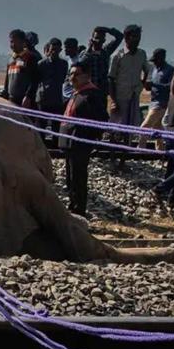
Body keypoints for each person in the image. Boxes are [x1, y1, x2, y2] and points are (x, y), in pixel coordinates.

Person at [61, 58, 108, 217]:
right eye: (71, 74)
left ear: (87, 75)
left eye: (76, 74)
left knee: (78, 179)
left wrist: (88, 136)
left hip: (79, 144)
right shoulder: (77, 93)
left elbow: (101, 119)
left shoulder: (92, 95)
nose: (72, 77)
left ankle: (79, 211)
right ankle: (72, 206)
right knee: (70, 179)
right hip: (70, 144)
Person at [153, 74, 174, 209]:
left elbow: (165, 119)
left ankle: (172, 200)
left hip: (170, 136)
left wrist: (168, 131)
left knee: (172, 167)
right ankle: (160, 189)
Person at [108, 25, 148, 130]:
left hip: (134, 96)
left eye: (139, 37)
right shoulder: (117, 56)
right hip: (120, 97)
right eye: (134, 37)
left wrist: (141, 85)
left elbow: (147, 71)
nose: (137, 40)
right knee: (117, 127)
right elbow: (111, 78)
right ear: (126, 38)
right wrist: (113, 101)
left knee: (131, 128)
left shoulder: (142, 54)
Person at [138, 49, 174, 150]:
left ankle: (140, 148)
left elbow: (171, 87)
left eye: (156, 60)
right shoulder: (154, 70)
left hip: (162, 104)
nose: (154, 63)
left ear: (162, 58)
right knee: (157, 128)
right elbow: (153, 85)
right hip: (153, 102)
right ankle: (161, 151)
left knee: (144, 127)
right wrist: (148, 86)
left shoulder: (170, 70)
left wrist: (154, 84)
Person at [79, 26, 124, 96]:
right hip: (88, 92)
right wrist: (89, 50)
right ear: (92, 39)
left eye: (101, 38)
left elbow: (120, 36)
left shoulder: (106, 51)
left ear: (104, 40)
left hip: (102, 91)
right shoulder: (85, 53)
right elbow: (79, 65)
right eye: (96, 38)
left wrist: (106, 29)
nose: (98, 41)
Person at [36, 38, 68, 132]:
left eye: (56, 50)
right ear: (48, 49)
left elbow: (62, 79)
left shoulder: (63, 64)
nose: (54, 52)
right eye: (52, 50)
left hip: (56, 99)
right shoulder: (41, 64)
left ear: (60, 50)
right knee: (41, 126)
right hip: (43, 99)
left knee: (56, 126)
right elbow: (37, 80)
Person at [0, 29, 39, 107]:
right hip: (11, 100)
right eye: (11, 42)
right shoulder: (11, 59)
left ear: (23, 42)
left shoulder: (30, 58)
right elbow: (7, 81)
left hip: (25, 101)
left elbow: (35, 80)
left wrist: (28, 97)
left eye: (15, 42)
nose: (13, 44)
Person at [62, 38, 81, 103]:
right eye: (65, 47)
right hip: (64, 95)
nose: (65, 49)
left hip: (74, 96)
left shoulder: (79, 61)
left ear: (74, 48)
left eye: (67, 47)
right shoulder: (66, 60)